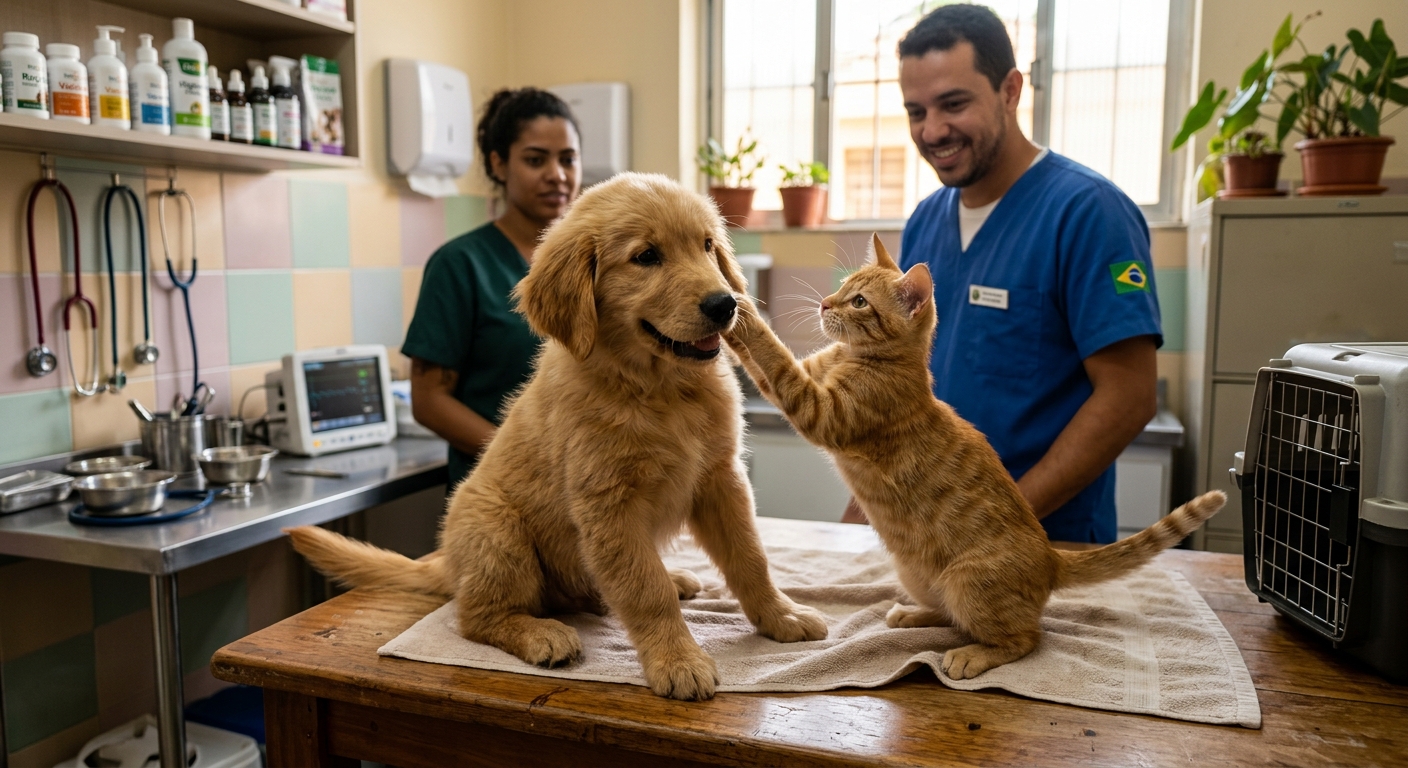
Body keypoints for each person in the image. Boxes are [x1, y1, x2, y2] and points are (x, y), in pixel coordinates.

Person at [841, 4, 1162, 544]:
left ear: (1010, 90)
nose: (932, 130)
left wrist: (1002, 523)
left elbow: (1128, 396)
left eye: (954, 104)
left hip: (1044, 545)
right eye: (915, 111)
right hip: (924, 541)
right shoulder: (924, 222)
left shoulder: (1089, 213)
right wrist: (863, 507)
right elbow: (899, 381)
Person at [402, 88, 582, 488]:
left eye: (568, 159)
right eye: (536, 160)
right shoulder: (460, 264)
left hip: (589, 492)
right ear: (499, 164)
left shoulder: (594, 264)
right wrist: (522, 459)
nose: (557, 175)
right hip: (501, 496)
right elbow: (429, 400)